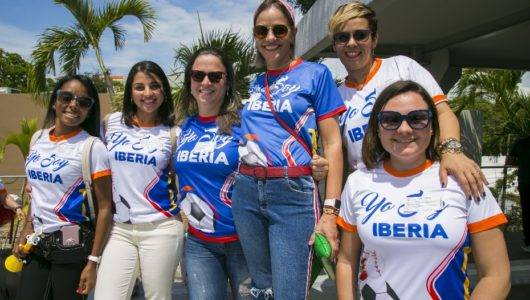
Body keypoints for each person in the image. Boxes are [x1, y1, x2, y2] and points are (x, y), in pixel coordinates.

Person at [336, 80, 510, 299]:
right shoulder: (358, 182)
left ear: (432, 125)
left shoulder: (464, 180)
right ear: (377, 128)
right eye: (391, 120)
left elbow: (496, 276)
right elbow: (346, 262)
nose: (404, 129)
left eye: (417, 118)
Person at [231, 1, 346, 298]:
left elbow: (333, 143)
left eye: (279, 29)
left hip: (292, 192)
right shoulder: (253, 83)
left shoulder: (315, 74)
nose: (271, 37)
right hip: (246, 191)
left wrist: (331, 210)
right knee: (260, 288)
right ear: (255, 36)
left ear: (293, 33)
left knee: (289, 292)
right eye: (262, 30)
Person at [329, 2, 487, 199]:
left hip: (420, 184)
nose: (351, 43)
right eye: (342, 38)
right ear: (335, 45)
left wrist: (451, 152)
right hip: (368, 195)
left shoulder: (401, 67)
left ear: (374, 39)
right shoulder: (334, 96)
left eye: (360, 35)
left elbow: (443, 112)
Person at [14, 75, 113, 299]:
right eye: (66, 97)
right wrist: (26, 229)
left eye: (83, 102)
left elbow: (106, 207)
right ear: (54, 100)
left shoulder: (92, 147)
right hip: (37, 241)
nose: (73, 105)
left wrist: (93, 262)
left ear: (89, 110)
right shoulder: (38, 139)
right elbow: (37, 193)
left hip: (72, 241)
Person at [94, 61, 185, 299]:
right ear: (130, 92)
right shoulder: (110, 123)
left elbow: (182, 180)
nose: (147, 93)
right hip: (119, 229)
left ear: (164, 91)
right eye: (139, 87)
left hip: (161, 228)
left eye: (154, 86)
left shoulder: (173, 133)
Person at [173, 47, 251, 299]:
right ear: (190, 82)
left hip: (245, 242)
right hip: (199, 244)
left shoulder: (245, 122)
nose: (205, 82)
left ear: (227, 82)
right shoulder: (182, 128)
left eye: (215, 76)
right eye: (198, 75)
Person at [506, 135, 530, 252]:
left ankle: (528, 242)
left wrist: (521, 162)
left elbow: (509, 161)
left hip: (525, 182)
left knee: (526, 212)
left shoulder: (520, 143)